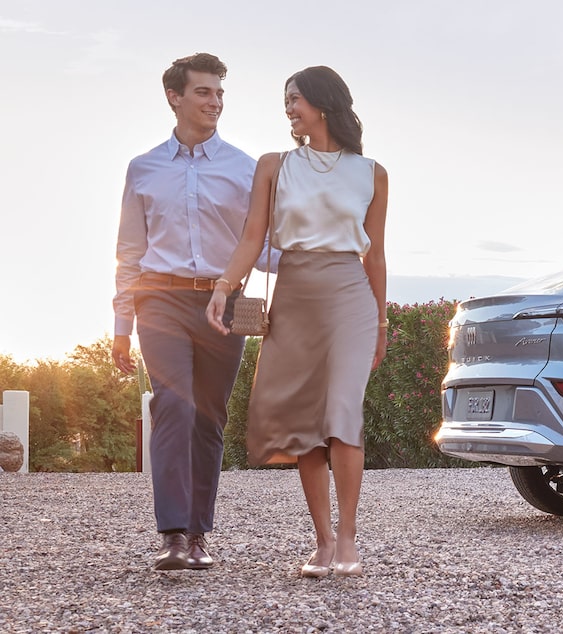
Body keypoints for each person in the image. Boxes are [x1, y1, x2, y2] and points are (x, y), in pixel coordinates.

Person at [206, 65, 388, 578]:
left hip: (351, 296)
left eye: (295, 99)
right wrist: (223, 288)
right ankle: (324, 541)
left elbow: (375, 256)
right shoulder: (273, 165)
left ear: (323, 103)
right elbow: (251, 239)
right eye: (286, 100)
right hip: (295, 294)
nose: (288, 109)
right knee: (308, 423)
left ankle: (350, 538)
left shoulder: (372, 172)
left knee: (342, 411)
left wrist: (379, 322)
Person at [113, 53, 263, 570]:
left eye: (219, 93)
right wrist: (120, 327)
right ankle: (173, 534)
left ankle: (199, 533)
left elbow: (263, 245)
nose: (214, 102)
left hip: (224, 302)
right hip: (159, 298)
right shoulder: (143, 168)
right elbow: (129, 252)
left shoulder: (246, 167)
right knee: (173, 406)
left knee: (209, 416)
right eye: (203, 92)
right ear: (174, 97)